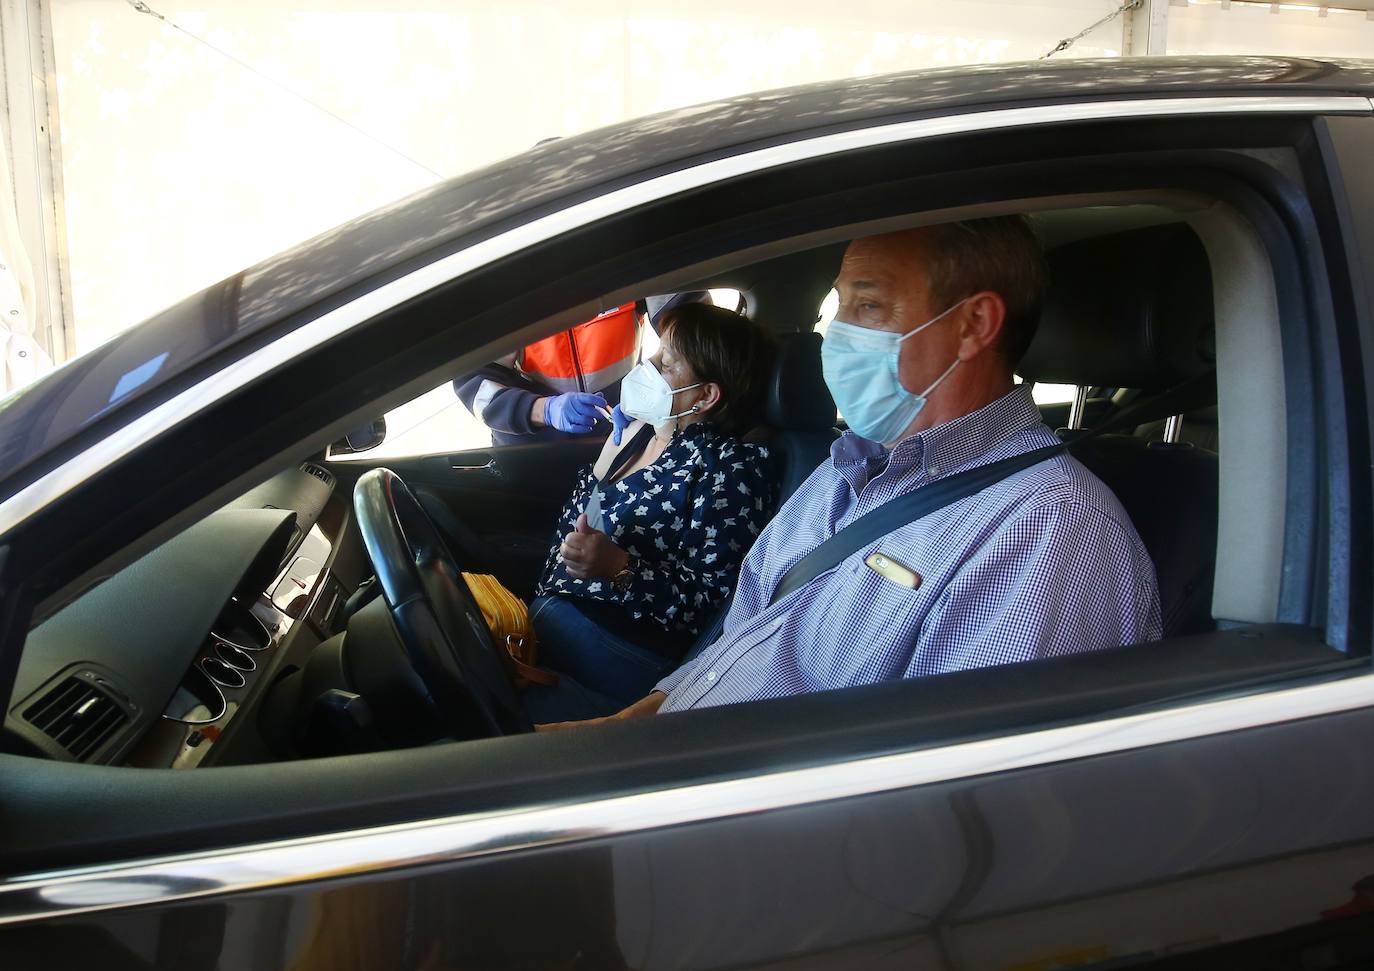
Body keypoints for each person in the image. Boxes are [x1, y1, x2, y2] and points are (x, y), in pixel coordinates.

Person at [533, 216, 1162, 728]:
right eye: (841, 306)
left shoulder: (1053, 534)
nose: (835, 335)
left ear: (973, 324)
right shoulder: (847, 467)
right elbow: (731, 650)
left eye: (869, 305)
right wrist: (608, 735)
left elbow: (948, 799)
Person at [522, 302, 777, 715]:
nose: (648, 366)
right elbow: (577, 523)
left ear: (706, 395)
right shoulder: (639, 433)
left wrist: (619, 567)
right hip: (560, 617)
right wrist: (610, 457)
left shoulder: (729, 468)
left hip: (625, 649)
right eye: (655, 352)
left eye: (668, 363)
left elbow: (711, 607)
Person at [454, 293, 712, 444]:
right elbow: (477, 386)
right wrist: (546, 410)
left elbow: (693, 335)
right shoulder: (501, 291)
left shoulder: (626, 251)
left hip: (625, 422)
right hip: (537, 442)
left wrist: (656, 398)